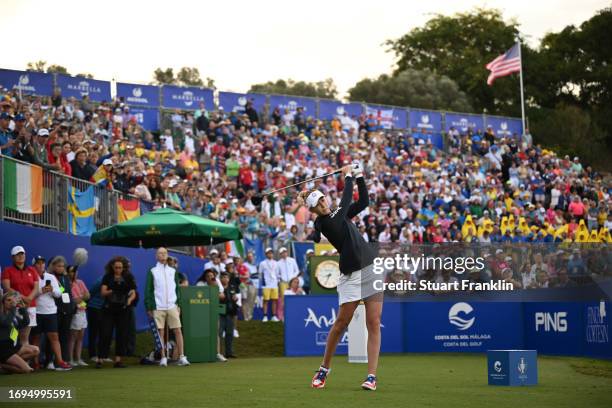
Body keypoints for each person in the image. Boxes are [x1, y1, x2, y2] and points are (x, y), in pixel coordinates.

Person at [298, 161, 382, 391]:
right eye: (318, 204)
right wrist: (347, 177)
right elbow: (345, 202)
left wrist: (360, 176)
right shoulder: (324, 222)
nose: (323, 204)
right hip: (351, 276)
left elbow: (363, 202)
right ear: (313, 210)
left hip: (371, 268)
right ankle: (324, 369)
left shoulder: (337, 213)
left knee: (373, 322)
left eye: (323, 199)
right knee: (340, 324)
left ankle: (371, 376)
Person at [144, 247, 189, 367]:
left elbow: (177, 289)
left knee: (178, 330)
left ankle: (182, 356)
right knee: (161, 332)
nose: (163, 255)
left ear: (168, 255)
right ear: (156, 256)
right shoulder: (152, 271)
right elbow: (148, 290)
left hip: (172, 305)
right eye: (160, 253)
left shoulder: (173, 271)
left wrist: (178, 304)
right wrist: (149, 307)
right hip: (158, 306)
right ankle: (163, 357)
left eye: (165, 253)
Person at [30, 256, 72, 371]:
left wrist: (52, 289)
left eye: (42, 263)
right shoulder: (31, 276)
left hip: (50, 311)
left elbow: (59, 293)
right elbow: (30, 294)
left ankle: (60, 361)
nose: (41, 265)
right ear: (34, 265)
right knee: (36, 338)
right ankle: (36, 363)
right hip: (36, 311)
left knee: (54, 337)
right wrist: (42, 290)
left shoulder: (51, 277)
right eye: (38, 263)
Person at [97, 257, 137, 368]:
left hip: (123, 309)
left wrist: (129, 300)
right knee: (105, 333)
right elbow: (102, 292)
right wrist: (112, 290)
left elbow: (133, 292)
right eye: (116, 267)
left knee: (122, 334)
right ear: (112, 267)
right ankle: (100, 359)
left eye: (120, 267)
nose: (118, 269)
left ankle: (118, 360)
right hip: (108, 309)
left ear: (124, 268)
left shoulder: (128, 277)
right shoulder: (107, 277)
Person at [1, 246, 39, 347]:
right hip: (14, 307)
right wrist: (24, 298)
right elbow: (7, 288)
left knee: (25, 336)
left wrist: (29, 299)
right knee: (14, 335)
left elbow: (36, 287)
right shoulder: (7, 270)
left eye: (22, 253)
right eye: (18, 254)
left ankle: (25, 361)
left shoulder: (32, 270)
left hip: (30, 306)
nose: (21, 256)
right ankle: (12, 359)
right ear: (13, 257)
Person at [0, 291, 40, 374]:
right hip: (4, 349)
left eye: (13, 300)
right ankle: (3, 365)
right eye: (8, 300)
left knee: (36, 350)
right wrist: (14, 308)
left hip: (13, 347)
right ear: (3, 302)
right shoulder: (3, 314)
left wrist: (23, 309)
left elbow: (25, 323)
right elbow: (6, 323)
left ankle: (5, 364)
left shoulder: (13, 314)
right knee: (27, 370)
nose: (11, 302)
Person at [67, 265, 89, 366]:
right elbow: (71, 300)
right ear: (68, 273)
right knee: (72, 337)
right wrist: (80, 298)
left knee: (81, 336)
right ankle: (70, 359)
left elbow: (88, 295)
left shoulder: (80, 282)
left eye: (75, 271)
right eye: (71, 271)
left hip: (83, 311)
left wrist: (79, 298)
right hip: (74, 313)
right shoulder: (66, 284)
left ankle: (78, 359)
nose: (74, 273)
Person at [218, 271, 239, 358]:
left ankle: (229, 353)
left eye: (227, 277)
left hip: (230, 314)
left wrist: (236, 299)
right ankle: (218, 353)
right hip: (220, 314)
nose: (225, 279)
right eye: (223, 277)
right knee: (219, 334)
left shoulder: (232, 288)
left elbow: (234, 299)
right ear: (220, 279)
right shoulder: (218, 288)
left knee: (229, 334)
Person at [259, 247, 280, 322]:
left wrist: (277, 282)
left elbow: (277, 274)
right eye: (268, 253)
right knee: (266, 300)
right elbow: (260, 274)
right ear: (266, 254)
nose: (270, 254)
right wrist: (263, 283)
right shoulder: (262, 263)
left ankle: (273, 316)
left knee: (274, 300)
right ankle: (265, 316)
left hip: (274, 284)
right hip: (266, 284)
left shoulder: (276, 263)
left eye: (271, 253)